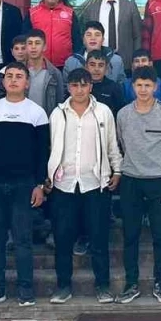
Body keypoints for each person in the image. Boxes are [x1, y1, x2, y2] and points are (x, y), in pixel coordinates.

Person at [0, 63, 51, 308]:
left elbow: (42, 153)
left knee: (22, 241)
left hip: (24, 185)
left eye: (19, 76)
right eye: (9, 76)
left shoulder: (37, 113)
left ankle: (25, 290)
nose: (14, 80)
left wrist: (39, 184)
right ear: (3, 81)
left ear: (27, 83)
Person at [46, 68, 122, 305]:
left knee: (98, 238)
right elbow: (51, 146)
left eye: (83, 85)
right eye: (74, 85)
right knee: (63, 238)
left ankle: (103, 286)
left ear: (91, 86)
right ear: (68, 87)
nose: (79, 90)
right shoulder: (58, 113)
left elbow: (112, 144)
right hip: (64, 184)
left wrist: (117, 170)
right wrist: (48, 175)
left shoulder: (103, 112)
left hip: (95, 183)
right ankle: (63, 286)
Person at [115, 67, 161, 304]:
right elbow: (120, 143)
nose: (143, 90)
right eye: (139, 85)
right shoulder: (123, 114)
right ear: (132, 87)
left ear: (156, 87)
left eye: (148, 85)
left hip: (158, 181)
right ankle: (131, 284)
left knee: (160, 236)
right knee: (130, 235)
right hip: (131, 180)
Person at [76, 0, 142, 63]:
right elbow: (84, 35)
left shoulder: (130, 7)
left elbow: (137, 36)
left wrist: (136, 58)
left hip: (125, 60)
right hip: (97, 60)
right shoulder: (91, 8)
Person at [27, 0, 76, 69]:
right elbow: (25, 39)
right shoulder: (32, 13)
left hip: (65, 65)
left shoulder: (70, 13)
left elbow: (77, 40)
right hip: (39, 65)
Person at [62, 21, 126, 83]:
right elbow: (66, 86)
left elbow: (121, 84)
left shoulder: (116, 60)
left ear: (103, 39)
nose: (93, 38)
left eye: (97, 35)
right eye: (88, 35)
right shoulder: (71, 62)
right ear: (83, 40)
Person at [24, 30, 66, 115]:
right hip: (24, 118)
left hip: (46, 119)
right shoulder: (18, 72)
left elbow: (60, 102)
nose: (33, 47)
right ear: (26, 47)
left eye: (37, 43)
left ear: (44, 47)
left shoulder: (54, 74)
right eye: (30, 43)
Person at [85, 51, 123, 117]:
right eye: (92, 65)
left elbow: (120, 114)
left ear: (106, 68)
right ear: (86, 67)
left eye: (101, 65)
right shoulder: (79, 86)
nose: (96, 69)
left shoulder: (114, 88)